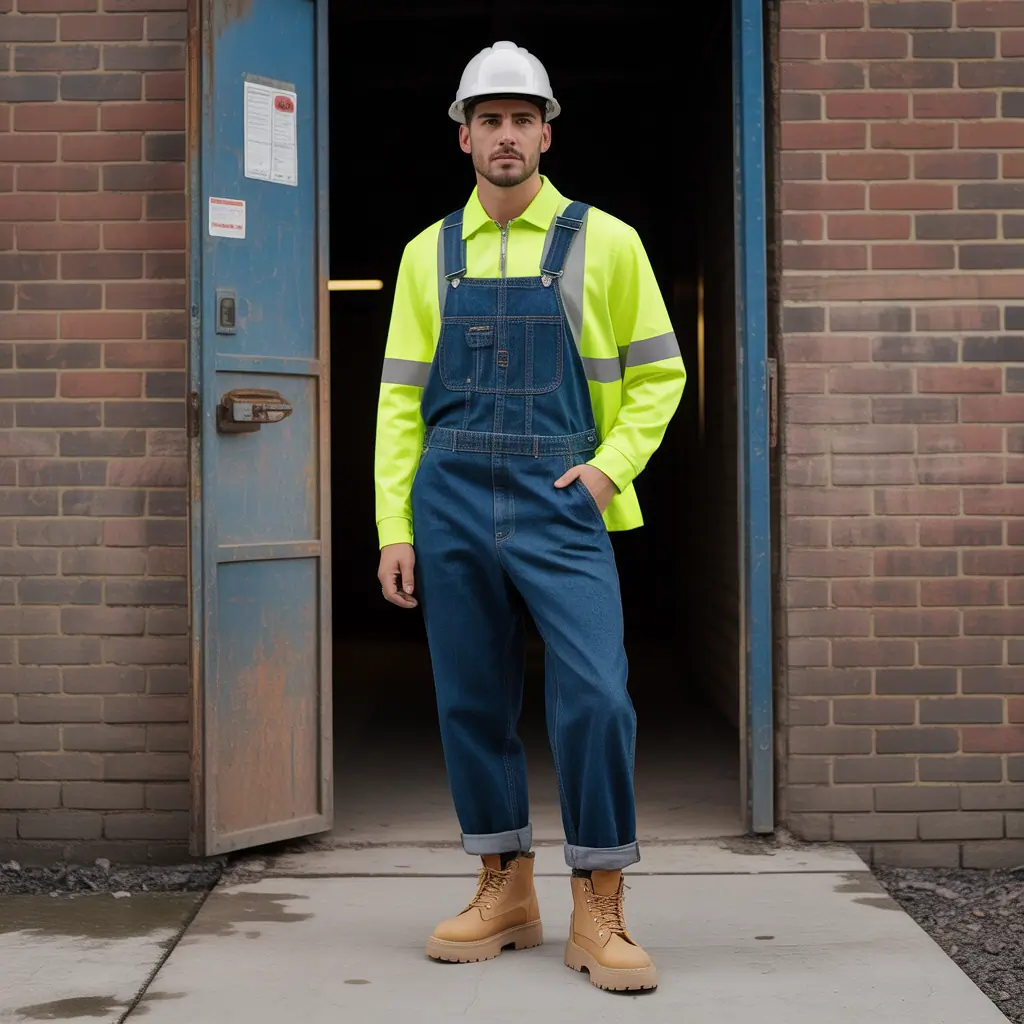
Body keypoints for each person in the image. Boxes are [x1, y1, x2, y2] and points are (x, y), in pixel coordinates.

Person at [373, 40, 685, 992]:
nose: (505, 136)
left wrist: (605, 473)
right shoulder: (427, 252)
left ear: (547, 131)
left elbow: (659, 375)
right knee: (472, 697)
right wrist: (395, 523)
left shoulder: (611, 241)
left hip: (561, 498)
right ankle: (504, 883)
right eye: (488, 119)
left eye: (522, 119)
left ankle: (599, 898)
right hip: (452, 497)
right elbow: (398, 399)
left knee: (595, 693)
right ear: (464, 135)